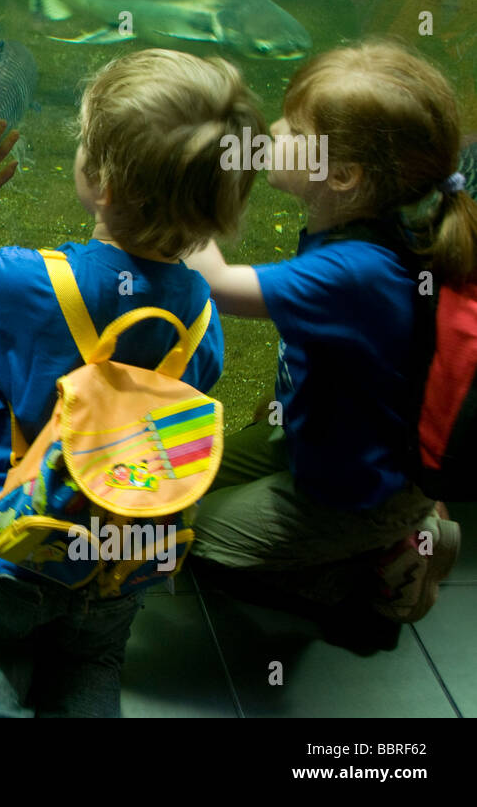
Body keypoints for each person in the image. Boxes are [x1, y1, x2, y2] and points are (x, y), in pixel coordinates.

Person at [0, 49, 264, 717]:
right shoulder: (199, 314)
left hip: (17, 544)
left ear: (101, 184)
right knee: (92, 662)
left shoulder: (29, 283)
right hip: (125, 553)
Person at [184, 38, 466, 623]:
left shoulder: (354, 271)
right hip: (319, 439)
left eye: (291, 128)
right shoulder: (383, 217)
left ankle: (391, 564)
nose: (273, 132)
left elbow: (215, 283)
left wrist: (176, 185)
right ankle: (419, 517)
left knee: (200, 541)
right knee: (188, 478)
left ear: (340, 175)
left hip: (355, 488)